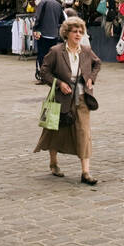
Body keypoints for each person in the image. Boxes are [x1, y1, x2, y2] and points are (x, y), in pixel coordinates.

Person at [34, 17, 101, 184]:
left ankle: (85, 172)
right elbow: (44, 72)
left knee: (84, 131)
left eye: (80, 31)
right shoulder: (56, 51)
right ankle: (53, 162)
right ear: (67, 33)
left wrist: (91, 78)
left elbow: (97, 63)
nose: (78, 34)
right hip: (61, 97)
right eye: (75, 31)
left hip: (82, 96)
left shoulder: (86, 50)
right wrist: (59, 84)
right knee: (55, 131)